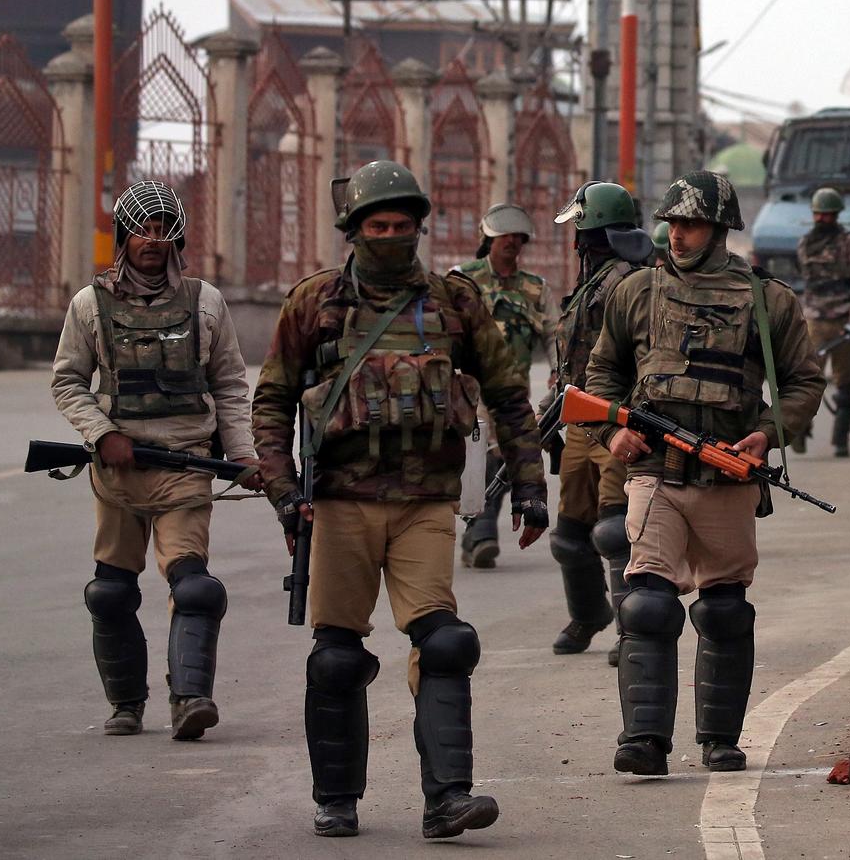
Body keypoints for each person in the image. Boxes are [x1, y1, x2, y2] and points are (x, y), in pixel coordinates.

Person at [251, 160, 548, 839]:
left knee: (444, 641)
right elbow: (271, 401)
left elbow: (507, 394)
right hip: (340, 501)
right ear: (353, 229)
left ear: (420, 227)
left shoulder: (453, 302)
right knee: (335, 655)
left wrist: (530, 483)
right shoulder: (314, 303)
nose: (391, 235)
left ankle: (448, 798)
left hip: (425, 500)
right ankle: (337, 798)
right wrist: (283, 489)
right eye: (378, 225)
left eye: (402, 225)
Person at [586, 170, 824, 776]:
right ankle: (643, 739)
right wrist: (613, 430)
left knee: (723, 609)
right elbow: (602, 376)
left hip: (726, 476)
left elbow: (803, 381)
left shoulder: (768, 299)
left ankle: (720, 739)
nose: (677, 235)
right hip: (655, 475)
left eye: (690, 224)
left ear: (720, 230)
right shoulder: (637, 291)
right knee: (647, 605)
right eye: (671, 223)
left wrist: (767, 434)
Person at [50, 180, 260, 740]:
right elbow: (68, 381)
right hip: (117, 472)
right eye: (141, 228)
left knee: (193, 587)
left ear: (177, 238)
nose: (151, 240)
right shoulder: (90, 304)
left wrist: (241, 454)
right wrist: (101, 433)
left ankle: (190, 698)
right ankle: (126, 704)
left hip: (186, 465)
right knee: (111, 591)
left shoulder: (205, 301)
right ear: (123, 235)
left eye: (163, 229)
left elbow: (231, 385)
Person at [548, 182, 651, 664]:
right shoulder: (591, 281)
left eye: (577, 230)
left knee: (614, 529)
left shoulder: (629, 281)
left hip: (616, 419)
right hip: (579, 421)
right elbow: (571, 354)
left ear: (590, 232)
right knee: (570, 532)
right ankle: (589, 614)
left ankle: (632, 627)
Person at [457, 203, 558, 569]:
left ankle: (479, 532)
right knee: (476, 456)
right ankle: (477, 529)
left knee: (500, 455)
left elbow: (553, 334)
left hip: (511, 391)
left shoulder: (535, 288)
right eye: (505, 238)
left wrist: (557, 371)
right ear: (488, 240)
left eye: (518, 239)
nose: (512, 244)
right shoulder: (462, 280)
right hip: (467, 387)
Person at [793, 186, 850, 457]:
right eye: (819, 214)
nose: (822, 219)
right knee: (806, 381)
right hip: (814, 320)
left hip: (843, 322)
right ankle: (799, 432)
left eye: (827, 215)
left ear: (836, 215)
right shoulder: (805, 243)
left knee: (845, 383)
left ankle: (840, 440)